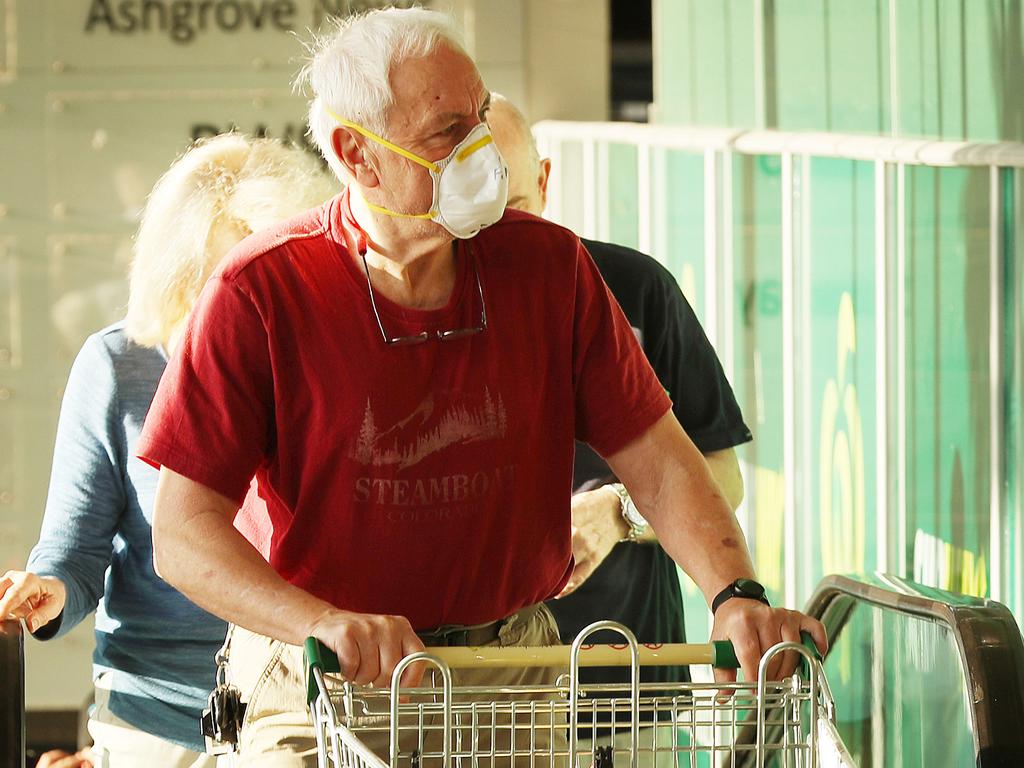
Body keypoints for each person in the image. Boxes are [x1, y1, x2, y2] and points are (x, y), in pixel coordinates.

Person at [136, 8, 827, 766]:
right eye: (446, 131)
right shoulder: (258, 293)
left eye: (481, 116)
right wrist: (320, 623)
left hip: (507, 674)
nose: (480, 147)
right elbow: (182, 535)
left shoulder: (551, 270)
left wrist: (735, 595)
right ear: (355, 154)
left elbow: (659, 461)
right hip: (325, 680)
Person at [0, 134, 335, 767]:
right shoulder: (116, 366)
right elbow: (74, 557)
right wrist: (44, 590)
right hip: (156, 719)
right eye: (226, 287)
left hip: (299, 713)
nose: (250, 313)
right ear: (178, 280)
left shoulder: (322, 364)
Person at [487, 94, 753, 766]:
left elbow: (723, 480)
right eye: (480, 223)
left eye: (515, 208)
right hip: (477, 703)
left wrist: (618, 512)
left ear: (545, 181)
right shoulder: (431, 308)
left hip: (628, 691)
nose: (506, 243)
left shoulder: (636, 291)